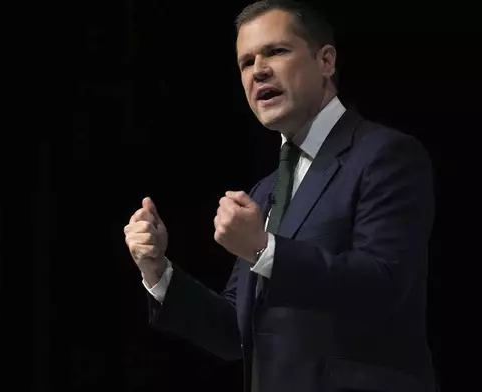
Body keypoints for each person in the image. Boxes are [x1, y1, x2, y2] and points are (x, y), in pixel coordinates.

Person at [123, 1, 438, 391]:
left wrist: (263, 250)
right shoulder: (267, 189)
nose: (259, 70)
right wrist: (157, 270)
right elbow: (233, 333)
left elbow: (384, 286)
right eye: (246, 62)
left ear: (326, 61)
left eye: (276, 51)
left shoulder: (385, 155)